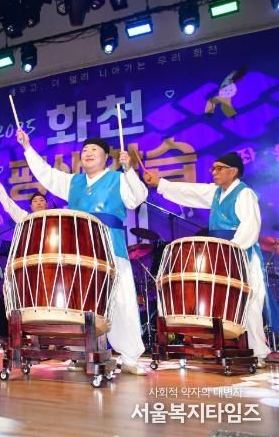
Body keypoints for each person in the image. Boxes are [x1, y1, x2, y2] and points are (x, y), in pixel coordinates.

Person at [16, 129, 149, 375]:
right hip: (79, 249)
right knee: (79, 300)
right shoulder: (73, 182)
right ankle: (80, 353)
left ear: (106, 157)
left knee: (121, 300)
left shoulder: (118, 178)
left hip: (110, 245)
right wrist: (27, 147)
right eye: (85, 150)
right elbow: (46, 174)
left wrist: (129, 170)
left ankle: (130, 356)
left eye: (94, 150)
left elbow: (137, 198)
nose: (88, 153)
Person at [144, 152, 274, 367]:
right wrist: (160, 184)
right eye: (213, 168)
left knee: (249, 302)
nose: (214, 172)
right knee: (225, 301)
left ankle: (258, 352)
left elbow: (250, 226)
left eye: (219, 168)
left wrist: (232, 249)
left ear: (233, 171)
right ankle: (224, 345)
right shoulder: (216, 192)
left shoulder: (244, 193)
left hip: (240, 252)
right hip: (222, 253)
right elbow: (191, 192)